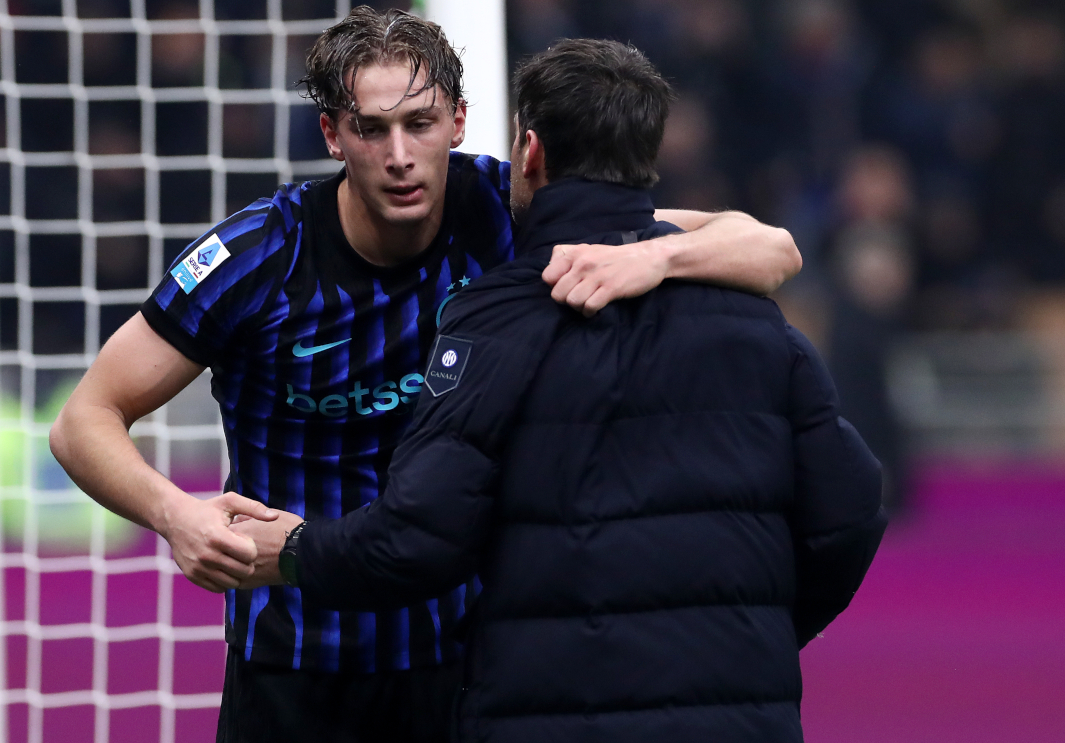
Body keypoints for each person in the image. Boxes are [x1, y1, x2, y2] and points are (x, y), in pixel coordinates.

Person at [49, 8, 802, 743]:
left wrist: (653, 255)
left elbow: (769, 248)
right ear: (332, 135)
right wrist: (174, 514)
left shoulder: (511, 214)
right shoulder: (256, 259)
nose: (400, 154)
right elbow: (83, 420)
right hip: (294, 668)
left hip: (467, 667)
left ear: (460, 122)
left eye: (420, 123)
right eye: (372, 129)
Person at [246, 39, 887, 742]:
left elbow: (420, 536)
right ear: (651, 157)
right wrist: (754, 629)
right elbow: (851, 509)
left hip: (546, 710)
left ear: (529, 153)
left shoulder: (495, 318)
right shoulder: (756, 320)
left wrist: (299, 551)